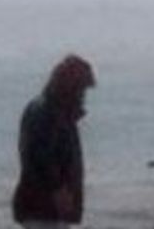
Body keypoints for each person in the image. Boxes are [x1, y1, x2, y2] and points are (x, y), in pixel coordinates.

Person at [12, 54, 97, 229]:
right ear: (70, 87)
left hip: (45, 207)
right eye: (81, 89)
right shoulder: (47, 112)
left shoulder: (55, 111)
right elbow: (40, 156)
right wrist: (59, 190)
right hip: (43, 206)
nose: (83, 96)